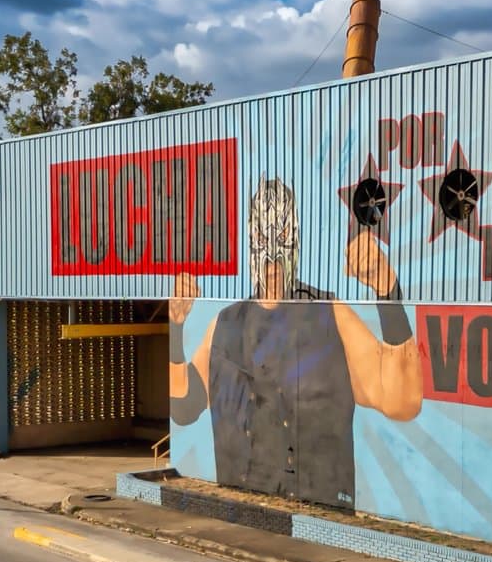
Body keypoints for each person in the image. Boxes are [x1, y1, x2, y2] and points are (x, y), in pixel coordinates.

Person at [169, 177, 423, 509]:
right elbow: (185, 407)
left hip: (321, 516)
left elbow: (401, 400)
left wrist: (387, 292)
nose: (272, 256)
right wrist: (174, 328)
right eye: (262, 238)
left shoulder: (330, 315)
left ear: (297, 237)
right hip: (241, 512)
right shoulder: (225, 324)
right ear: (249, 240)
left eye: (283, 236)